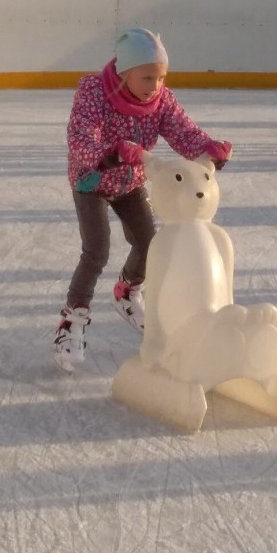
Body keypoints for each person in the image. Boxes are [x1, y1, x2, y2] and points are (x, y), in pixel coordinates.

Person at [56, 27, 233, 372]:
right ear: (124, 73)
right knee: (96, 251)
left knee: (149, 244)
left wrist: (208, 148)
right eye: (147, 77)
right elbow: (80, 138)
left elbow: (184, 131)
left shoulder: (161, 101)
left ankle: (126, 291)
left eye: (161, 77)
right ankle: (71, 320)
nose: (155, 85)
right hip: (91, 180)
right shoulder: (94, 93)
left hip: (130, 182)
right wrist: (109, 154)